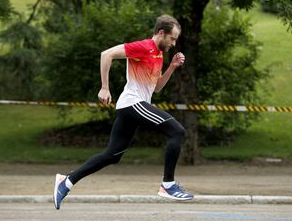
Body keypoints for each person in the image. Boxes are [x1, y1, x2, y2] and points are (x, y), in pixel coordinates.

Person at [53, 14, 193, 210]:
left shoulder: (159, 54)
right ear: (161, 33)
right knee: (177, 131)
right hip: (132, 104)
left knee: (113, 155)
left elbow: (157, 87)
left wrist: (171, 67)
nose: (174, 43)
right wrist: (104, 87)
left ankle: (66, 181)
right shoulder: (143, 47)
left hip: (133, 107)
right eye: (173, 38)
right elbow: (106, 54)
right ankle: (168, 185)